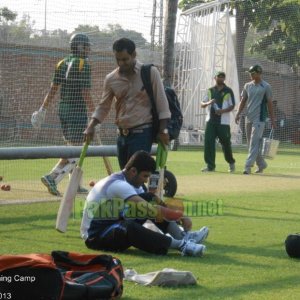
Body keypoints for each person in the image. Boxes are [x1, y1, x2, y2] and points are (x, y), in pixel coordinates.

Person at [80, 150, 209, 256]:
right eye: (145, 176)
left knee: (148, 197)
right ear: (133, 171)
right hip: (95, 236)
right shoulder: (118, 184)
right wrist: (181, 216)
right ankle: (181, 246)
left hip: (112, 223)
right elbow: (148, 209)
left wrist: (176, 215)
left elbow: (153, 201)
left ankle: (182, 237)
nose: (146, 181)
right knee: (130, 226)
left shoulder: (133, 183)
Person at [84, 38, 171, 169]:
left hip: (142, 133)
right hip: (121, 136)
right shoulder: (111, 79)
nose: (121, 63)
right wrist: (91, 126)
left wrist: (163, 130)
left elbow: (162, 104)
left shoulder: (149, 72)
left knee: (135, 174)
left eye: (125, 59)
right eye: (117, 59)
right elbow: (103, 106)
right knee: (125, 176)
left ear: (134, 55)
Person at [32, 33, 95, 195]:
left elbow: (53, 89)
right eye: (87, 46)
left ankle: (75, 185)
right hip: (77, 112)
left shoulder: (62, 62)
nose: (89, 49)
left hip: (63, 111)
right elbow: (85, 92)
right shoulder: (83, 64)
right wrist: (95, 114)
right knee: (76, 151)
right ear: (81, 47)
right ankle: (52, 177)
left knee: (72, 148)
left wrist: (42, 109)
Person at [235, 65, 276, 174]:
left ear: (258, 73)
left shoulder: (266, 86)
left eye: (252, 73)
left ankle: (247, 166)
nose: (250, 75)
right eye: (250, 73)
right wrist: (238, 113)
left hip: (260, 118)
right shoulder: (247, 85)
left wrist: (273, 119)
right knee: (251, 143)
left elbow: (270, 104)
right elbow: (243, 101)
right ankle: (262, 164)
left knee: (254, 142)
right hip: (249, 117)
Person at [200, 71, 236, 172]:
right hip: (210, 121)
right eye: (219, 77)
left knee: (225, 143)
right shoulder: (210, 90)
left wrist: (222, 111)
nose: (221, 78)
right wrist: (208, 102)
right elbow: (202, 103)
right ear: (214, 78)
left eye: (222, 77)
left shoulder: (228, 91)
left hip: (223, 123)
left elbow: (232, 105)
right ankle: (210, 166)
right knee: (209, 142)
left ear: (224, 79)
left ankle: (231, 162)